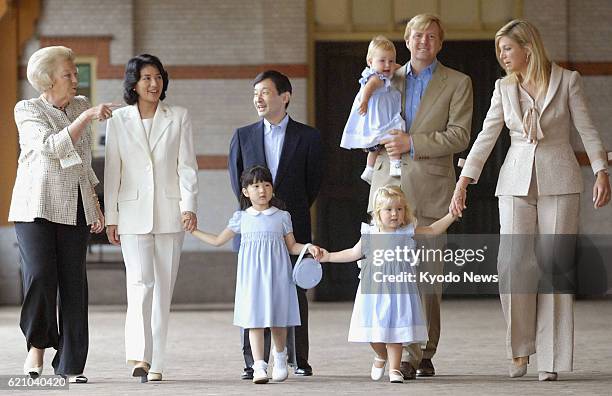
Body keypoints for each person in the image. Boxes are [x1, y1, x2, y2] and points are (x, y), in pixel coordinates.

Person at [450, 19, 610, 381]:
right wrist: (464, 181)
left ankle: (550, 359)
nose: (502, 56)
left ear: (527, 47)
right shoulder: (503, 88)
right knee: (513, 266)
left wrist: (601, 170)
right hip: (514, 181)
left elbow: (586, 128)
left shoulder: (567, 80)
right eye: (499, 50)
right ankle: (520, 351)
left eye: (507, 48)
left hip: (561, 178)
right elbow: (486, 137)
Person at [368, 13, 473, 379]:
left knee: (427, 280)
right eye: (416, 35)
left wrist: (412, 142)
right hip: (387, 193)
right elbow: (365, 122)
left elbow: (460, 134)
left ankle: (422, 350)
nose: (423, 41)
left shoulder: (458, 83)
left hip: (430, 190)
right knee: (390, 278)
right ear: (406, 40)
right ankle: (400, 353)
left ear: (440, 43)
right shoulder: (385, 77)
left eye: (431, 36)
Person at [9, 45, 111, 383]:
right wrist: (86, 119)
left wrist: (95, 206)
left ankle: (71, 364)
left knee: (73, 285)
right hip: (34, 206)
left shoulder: (80, 105)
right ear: (47, 80)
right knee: (40, 275)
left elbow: (81, 163)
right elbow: (53, 147)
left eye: (75, 73)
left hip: (75, 205)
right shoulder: (27, 109)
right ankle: (36, 345)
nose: (75, 79)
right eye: (68, 74)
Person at [104, 54, 199, 382]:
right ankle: (139, 356)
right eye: (146, 78)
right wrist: (111, 216)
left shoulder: (179, 116)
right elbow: (113, 169)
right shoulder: (118, 120)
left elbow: (186, 166)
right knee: (139, 285)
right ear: (133, 83)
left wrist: (189, 205)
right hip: (131, 215)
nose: (153, 83)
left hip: (171, 215)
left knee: (162, 291)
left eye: (158, 77)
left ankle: (157, 362)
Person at [228, 70, 322, 378]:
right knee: (252, 295)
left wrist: (284, 215)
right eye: (255, 93)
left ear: (285, 96)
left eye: (265, 92)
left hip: (290, 226)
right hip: (254, 230)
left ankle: (299, 360)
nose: (258, 98)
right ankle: (254, 362)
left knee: (294, 293)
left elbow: (313, 184)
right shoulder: (242, 136)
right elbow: (237, 182)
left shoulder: (308, 137)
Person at [190, 165, 323, 384]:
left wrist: (308, 247)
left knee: (278, 319)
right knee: (254, 320)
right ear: (245, 191)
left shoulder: (282, 216)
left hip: (278, 275)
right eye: (255, 186)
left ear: (272, 189)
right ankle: (259, 365)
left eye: (266, 185)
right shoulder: (241, 218)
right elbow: (217, 240)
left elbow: (292, 246)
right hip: (252, 278)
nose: (262, 190)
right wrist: (193, 231)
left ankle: (280, 358)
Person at [321, 185, 456, 383]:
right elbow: (352, 253)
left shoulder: (408, 232)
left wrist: (452, 214)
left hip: (400, 291)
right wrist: (328, 256)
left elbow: (433, 230)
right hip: (374, 292)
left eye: (399, 209)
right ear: (377, 213)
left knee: (397, 330)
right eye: (389, 209)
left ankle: (394, 369)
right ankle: (380, 355)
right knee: (374, 332)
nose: (395, 214)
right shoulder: (370, 234)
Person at [340, 35, 404, 183]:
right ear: (370, 62)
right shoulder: (375, 77)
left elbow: (400, 68)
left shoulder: (387, 70)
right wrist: (364, 101)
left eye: (391, 60)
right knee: (393, 134)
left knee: (374, 146)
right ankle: (395, 163)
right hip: (381, 116)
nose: (388, 65)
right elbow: (368, 88)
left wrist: (401, 68)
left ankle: (369, 169)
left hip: (382, 113)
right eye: (382, 61)